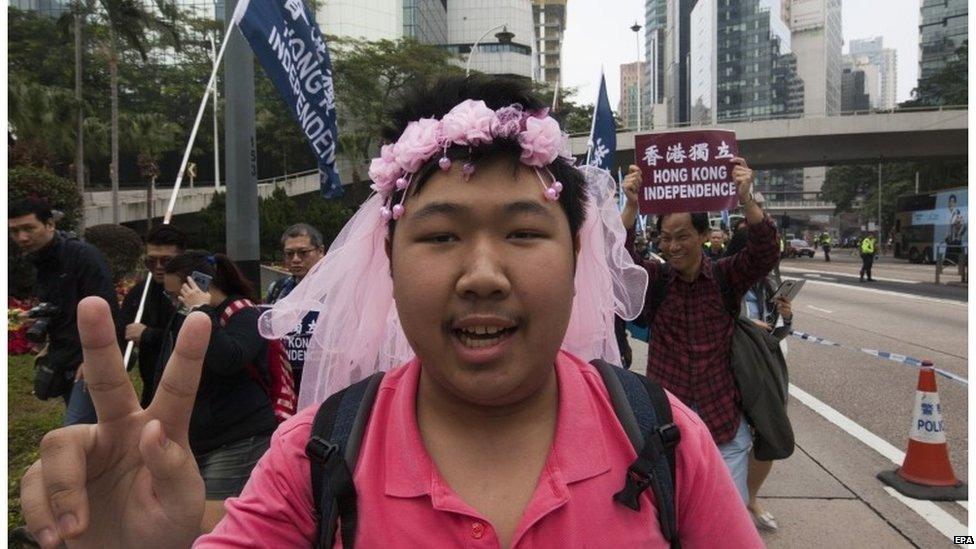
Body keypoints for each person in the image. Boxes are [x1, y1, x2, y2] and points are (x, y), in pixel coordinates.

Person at [20, 75, 762, 549]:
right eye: (439, 236)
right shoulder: (313, 456)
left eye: (522, 232)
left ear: (575, 257)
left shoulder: (664, 439)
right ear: (389, 259)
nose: (481, 274)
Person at [620, 159, 781, 504]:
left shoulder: (727, 277)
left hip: (723, 426)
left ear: (704, 236)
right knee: (674, 521)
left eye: (682, 237)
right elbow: (617, 258)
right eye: (665, 238)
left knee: (728, 519)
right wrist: (631, 206)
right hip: (668, 430)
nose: (673, 247)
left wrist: (747, 199)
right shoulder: (656, 281)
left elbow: (765, 251)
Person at [158, 250, 278, 531]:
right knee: (192, 517)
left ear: (200, 285)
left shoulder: (244, 313)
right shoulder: (185, 316)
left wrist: (202, 311)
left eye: (177, 295)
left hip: (239, 437)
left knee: (214, 524)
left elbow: (229, 360)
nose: (174, 302)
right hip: (200, 439)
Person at [8, 197, 122, 426]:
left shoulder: (82, 256)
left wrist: (95, 360)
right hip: (65, 357)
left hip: (91, 360)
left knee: (75, 431)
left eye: (29, 228)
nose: (22, 237)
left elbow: (107, 309)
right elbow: (60, 308)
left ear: (50, 224)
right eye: (14, 231)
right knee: (91, 431)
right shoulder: (41, 261)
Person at [120, 224, 187, 407]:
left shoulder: (195, 292)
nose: (158, 268)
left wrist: (148, 334)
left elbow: (190, 336)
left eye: (166, 261)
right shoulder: (139, 294)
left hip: (190, 388)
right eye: (151, 262)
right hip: (152, 387)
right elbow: (119, 334)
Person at [265, 223, 326, 391]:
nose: (296, 259)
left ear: (321, 252)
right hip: (286, 378)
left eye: (303, 253)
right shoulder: (277, 289)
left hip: (322, 378)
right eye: (289, 254)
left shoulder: (336, 288)